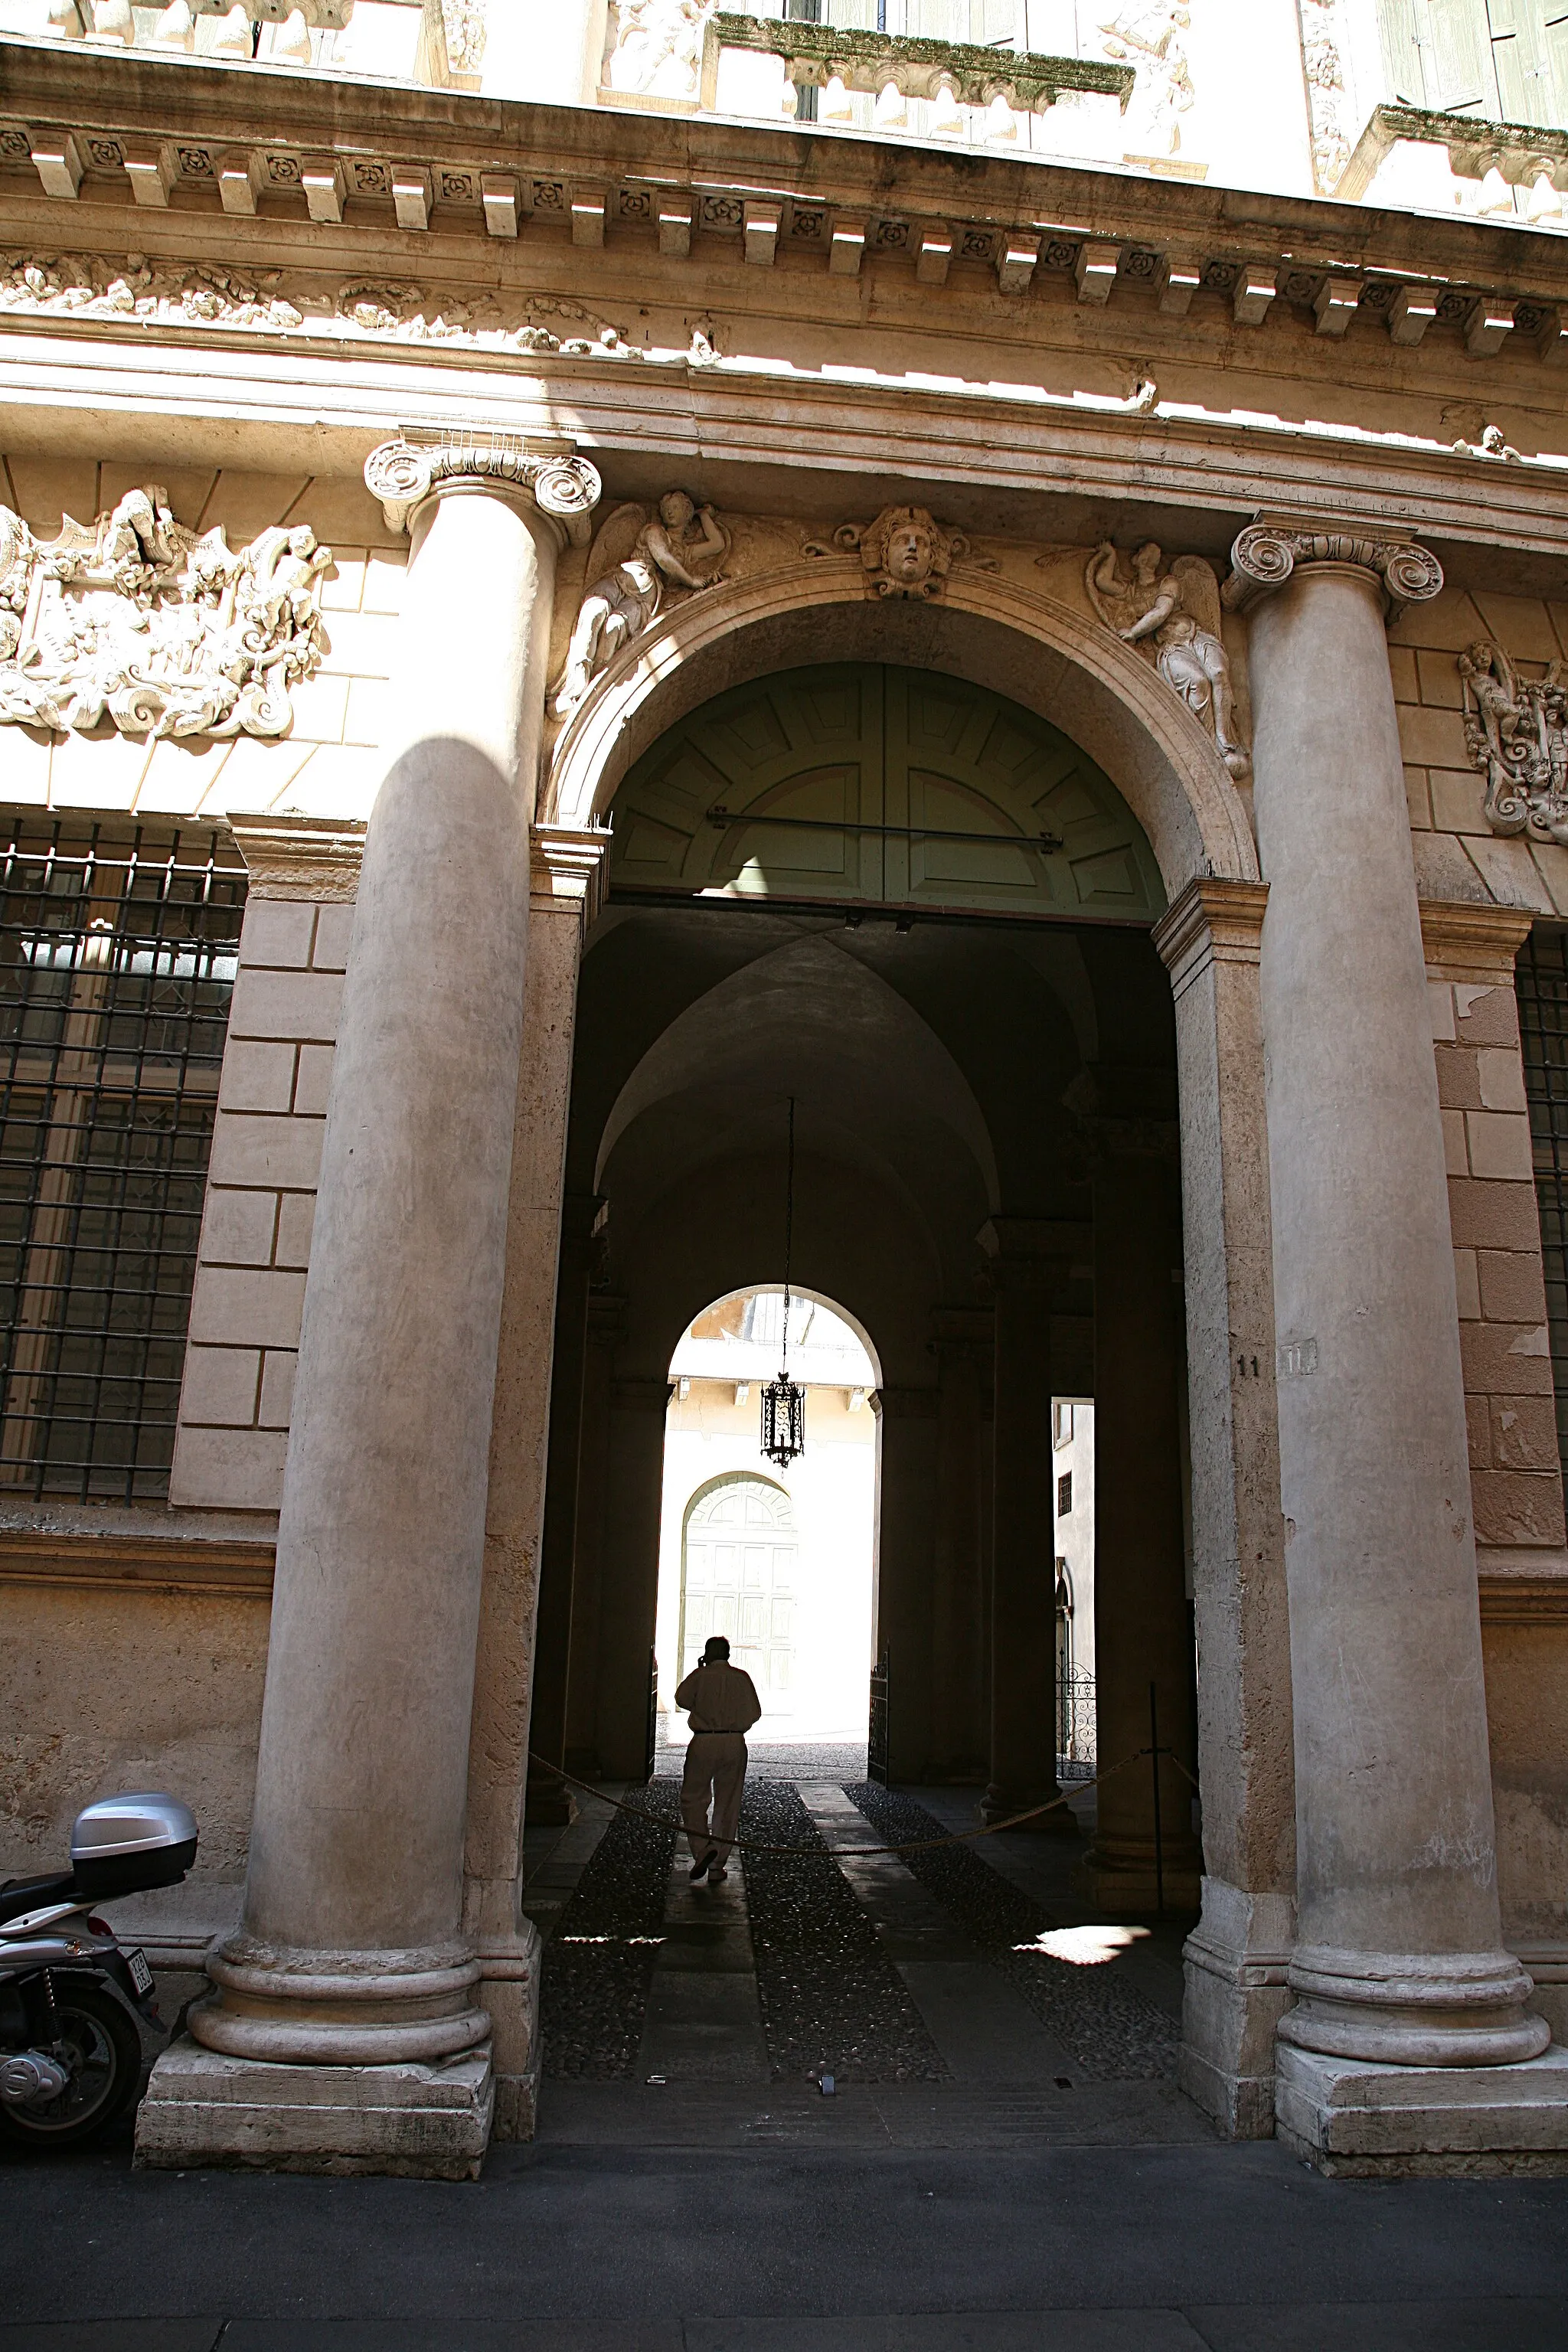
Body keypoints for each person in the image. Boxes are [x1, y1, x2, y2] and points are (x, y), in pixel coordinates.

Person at [674, 1634, 762, 1883]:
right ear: (728, 1654)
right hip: (734, 1741)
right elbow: (755, 1712)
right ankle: (717, 1865)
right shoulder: (741, 1678)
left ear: (707, 1654)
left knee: (693, 1798)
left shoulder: (699, 1676)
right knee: (728, 1803)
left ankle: (703, 1848)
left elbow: (681, 1698)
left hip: (704, 1740)